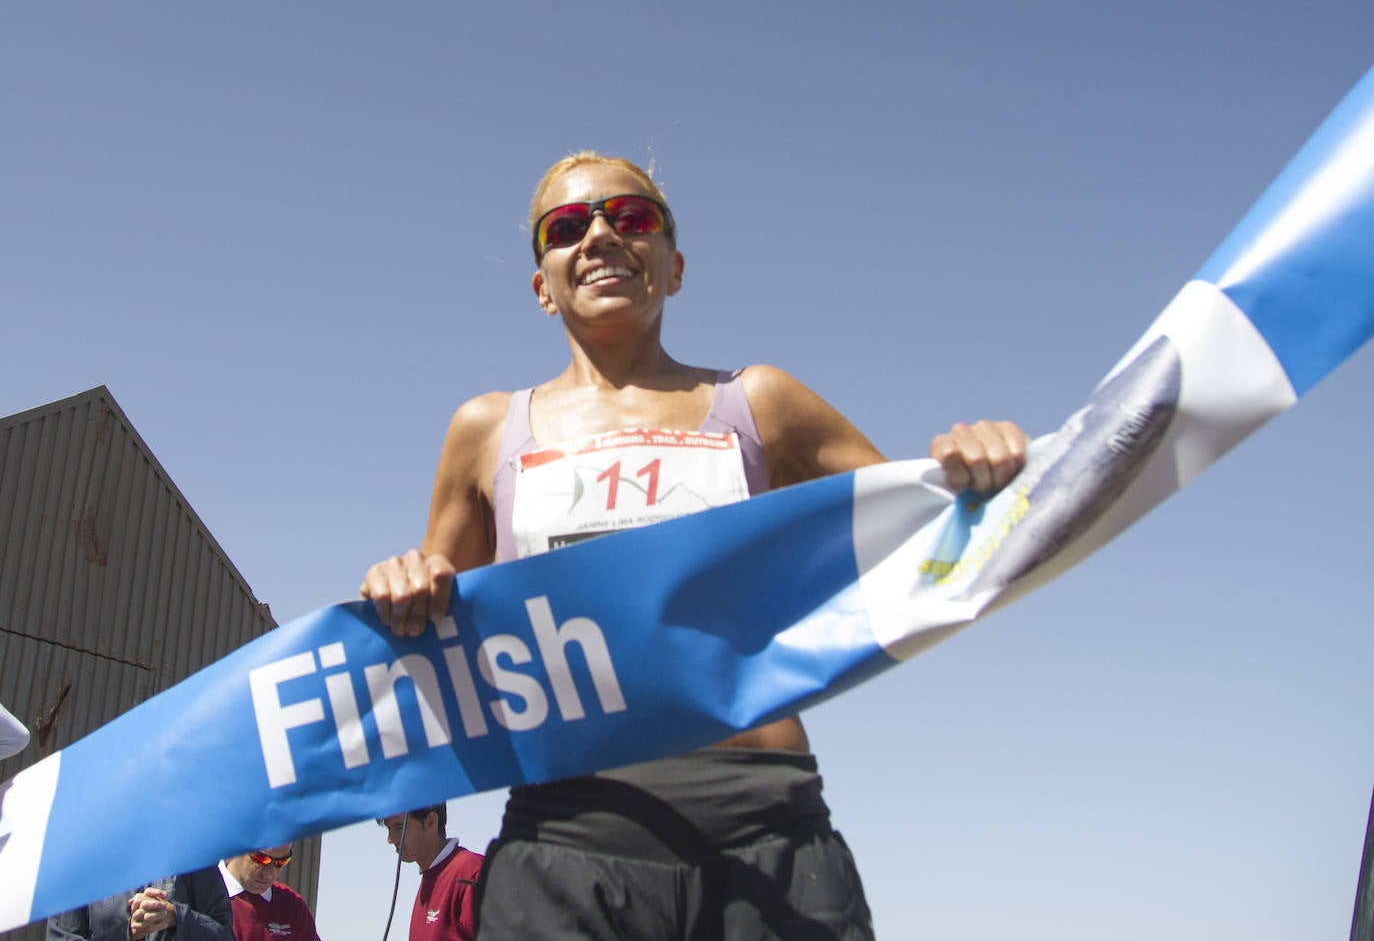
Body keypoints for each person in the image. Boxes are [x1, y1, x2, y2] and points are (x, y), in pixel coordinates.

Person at [360, 151, 1029, 939]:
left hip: (765, 829)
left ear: (673, 266)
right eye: (567, 226)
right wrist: (403, 582)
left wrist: (988, 477)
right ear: (542, 283)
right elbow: (434, 636)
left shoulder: (764, 402)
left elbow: (926, 539)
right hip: (565, 838)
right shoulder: (484, 431)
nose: (601, 235)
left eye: (631, 217)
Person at [377, 803, 484, 941]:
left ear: (430, 822)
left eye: (399, 827)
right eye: (388, 828)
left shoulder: (472, 872)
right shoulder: (431, 878)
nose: (390, 839)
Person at [47, 867, 233, 941]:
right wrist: (127, 933)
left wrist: (177, 916)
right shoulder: (80, 866)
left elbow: (224, 935)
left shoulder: (191, 854)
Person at [219, 844, 321, 941]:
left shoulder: (292, 906)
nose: (269, 874)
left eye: (281, 862)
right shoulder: (205, 897)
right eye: (261, 859)